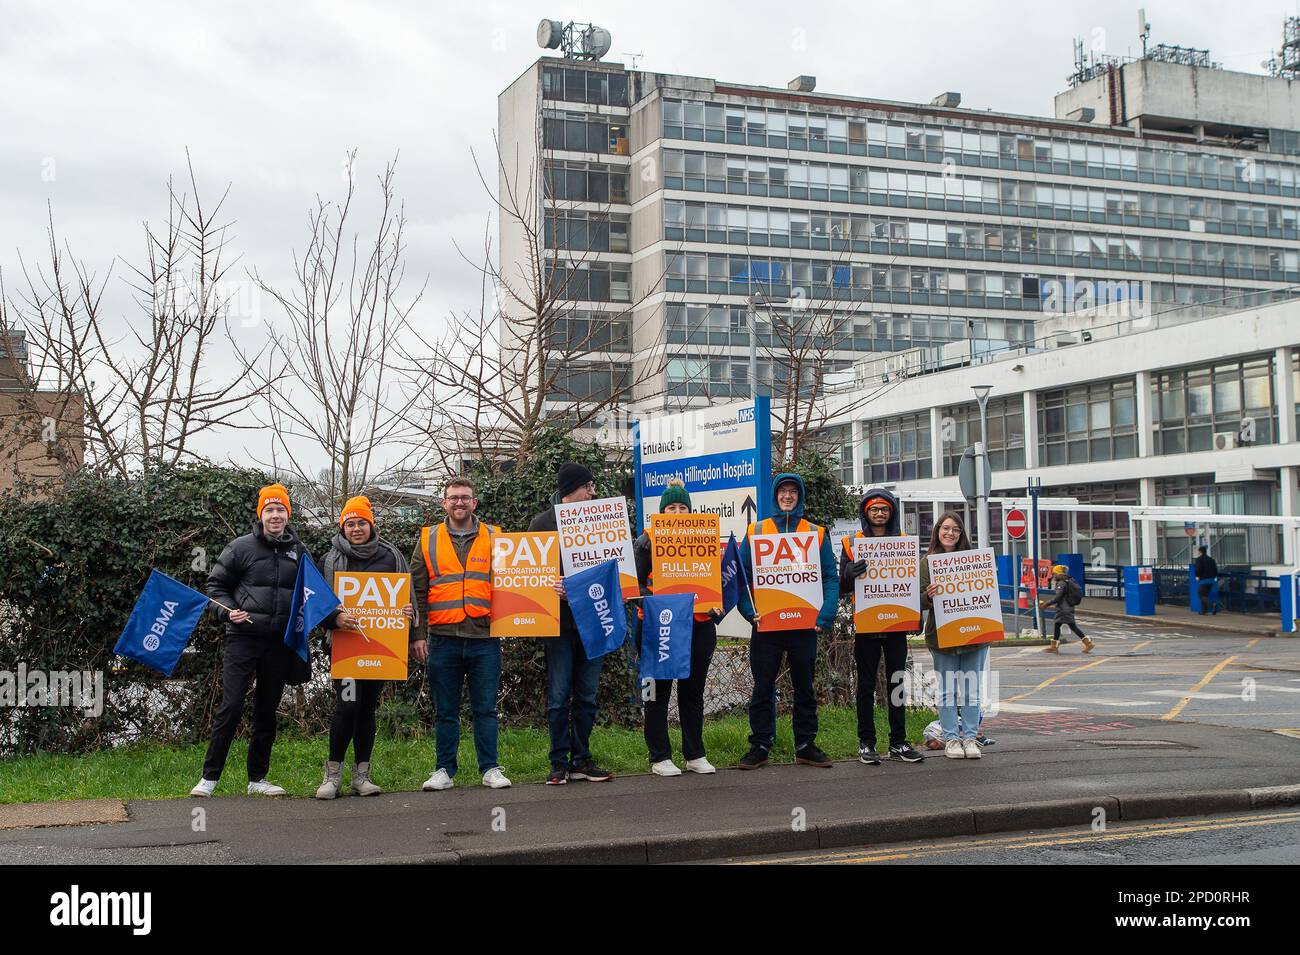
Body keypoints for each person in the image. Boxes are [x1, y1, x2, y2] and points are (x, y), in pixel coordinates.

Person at [192, 483, 312, 797]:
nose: (275, 515)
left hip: (278, 643)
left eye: (281, 510)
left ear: (288, 514)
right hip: (243, 639)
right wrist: (228, 611)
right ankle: (209, 778)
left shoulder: (299, 551)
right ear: (261, 514)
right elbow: (215, 587)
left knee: (266, 711)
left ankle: (257, 779)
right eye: (269, 510)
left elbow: (314, 594)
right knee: (230, 707)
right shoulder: (240, 547)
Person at [414, 477, 512, 792]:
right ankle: (443, 769)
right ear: (444, 503)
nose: (459, 503)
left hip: (485, 638)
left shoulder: (496, 536)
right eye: (453, 498)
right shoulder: (428, 538)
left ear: (474, 502)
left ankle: (490, 768)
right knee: (445, 710)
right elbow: (416, 590)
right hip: (443, 639)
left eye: (465, 498)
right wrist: (418, 635)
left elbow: (516, 581)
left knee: (485, 708)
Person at [736, 473, 839, 770]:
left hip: (804, 625)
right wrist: (748, 610)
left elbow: (830, 578)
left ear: (800, 496)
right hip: (766, 625)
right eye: (783, 491)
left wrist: (826, 615)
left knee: (805, 687)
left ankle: (805, 745)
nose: (788, 496)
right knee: (762, 687)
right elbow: (741, 578)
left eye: (794, 491)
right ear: (775, 495)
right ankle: (760, 745)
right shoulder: (756, 531)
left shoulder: (816, 533)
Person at [314, 496, 414, 799]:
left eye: (361, 522)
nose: (356, 528)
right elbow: (317, 604)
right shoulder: (329, 560)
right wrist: (335, 618)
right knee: (347, 706)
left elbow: (408, 596)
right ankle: (332, 776)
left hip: (382, 646)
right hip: (344, 647)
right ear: (342, 527)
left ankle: (362, 776)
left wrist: (408, 614)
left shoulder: (392, 556)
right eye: (350, 523)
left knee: (368, 708)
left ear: (372, 524)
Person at [528, 462, 614, 785]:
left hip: (595, 620)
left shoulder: (603, 519)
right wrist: (553, 585)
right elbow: (527, 577)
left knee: (588, 695)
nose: (593, 493)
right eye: (588, 487)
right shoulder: (541, 524)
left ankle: (581, 759)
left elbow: (617, 568)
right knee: (559, 695)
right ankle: (558, 762)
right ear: (573, 489)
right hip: (560, 625)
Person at [634, 478, 722, 776]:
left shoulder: (705, 538)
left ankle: (694, 753)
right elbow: (633, 587)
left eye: (682, 506)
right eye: (670, 507)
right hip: (660, 627)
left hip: (698, 626)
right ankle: (659, 756)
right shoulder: (645, 541)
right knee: (657, 693)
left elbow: (717, 582)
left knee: (692, 692)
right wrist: (653, 604)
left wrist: (715, 603)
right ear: (661, 511)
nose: (677, 512)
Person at [838, 488, 925, 765]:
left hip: (897, 624)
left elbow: (910, 585)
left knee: (896, 683)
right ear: (866, 513)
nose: (879, 514)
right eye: (874, 509)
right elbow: (840, 586)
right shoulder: (852, 543)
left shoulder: (903, 541)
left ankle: (898, 742)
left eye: (884, 509)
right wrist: (848, 574)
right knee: (865, 685)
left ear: (892, 513)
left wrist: (916, 616)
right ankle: (866, 742)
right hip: (867, 624)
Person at [920, 510, 989, 761]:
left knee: (972, 690)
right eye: (945, 528)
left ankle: (970, 737)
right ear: (938, 532)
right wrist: (929, 595)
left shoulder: (974, 561)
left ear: (961, 535)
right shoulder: (927, 562)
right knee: (947, 691)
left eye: (955, 529)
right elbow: (917, 601)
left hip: (974, 636)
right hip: (942, 637)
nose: (950, 533)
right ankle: (951, 738)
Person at [1041, 564, 1094, 654]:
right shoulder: (1068, 580)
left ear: (1058, 574)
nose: (1053, 575)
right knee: (1060, 625)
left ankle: (1088, 644)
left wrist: (1047, 604)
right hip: (1068, 607)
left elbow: (1058, 597)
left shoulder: (1061, 583)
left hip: (1063, 608)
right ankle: (1054, 646)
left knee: (1069, 626)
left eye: (1054, 573)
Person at [1194, 546, 1220, 615]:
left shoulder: (1199, 559)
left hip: (1204, 580)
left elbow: (1198, 569)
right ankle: (1203, 611)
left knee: (1200, 594)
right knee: (1204, 595)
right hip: (1211, 580)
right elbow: (1215, 570)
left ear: (1200, 552)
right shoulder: (1211, 559)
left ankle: (1212, 605)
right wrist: (1213, 577)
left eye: (1198, 552)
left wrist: (1197, 576)